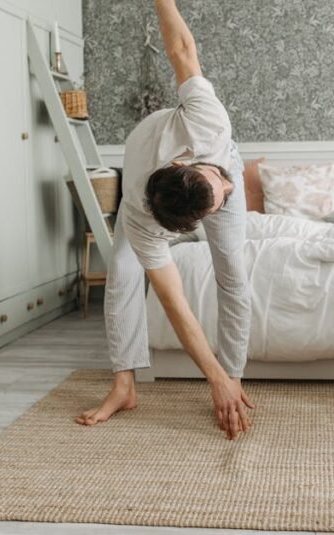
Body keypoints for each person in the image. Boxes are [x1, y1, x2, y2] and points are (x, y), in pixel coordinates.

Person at [75, 0, 253, 440]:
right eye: (219, 196)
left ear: (186, 162)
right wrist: (206, 376)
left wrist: (163, 2)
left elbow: (181, 50)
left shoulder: (208, 126)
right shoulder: (140, 216)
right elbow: (176, 303)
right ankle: (124, 386)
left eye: (219, 194)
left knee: (233, 273)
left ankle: (235, 378)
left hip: (217, 158)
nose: (230, 190)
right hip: (149, 186)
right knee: (121, 272)